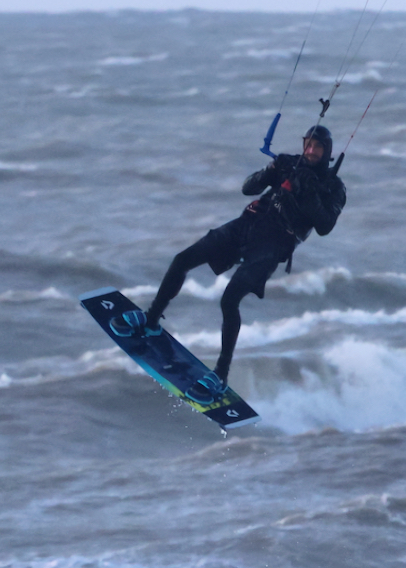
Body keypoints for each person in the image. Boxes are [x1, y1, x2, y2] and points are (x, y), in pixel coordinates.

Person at [110, 124, 347, 395]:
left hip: (273, 245)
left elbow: (325, 226)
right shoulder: (289, 164)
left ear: (327, 151)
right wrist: (270, 170)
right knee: (182, 260)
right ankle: (150, 321)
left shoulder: (333, 187)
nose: (311, 150)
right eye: (308, 144)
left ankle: (220, 375)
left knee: (229, 300)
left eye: (317, 147)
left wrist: (310, 193)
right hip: (247, 225)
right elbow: (248, 188)